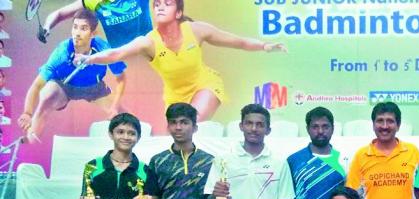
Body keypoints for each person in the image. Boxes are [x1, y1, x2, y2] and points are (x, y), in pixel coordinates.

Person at [73, 0, 286, 121]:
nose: (160, 7)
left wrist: (265, 46)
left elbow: (236, 42)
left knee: (191, 121)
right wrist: (89, 59)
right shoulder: (147, 42)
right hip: (174, 95)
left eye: (167, 4)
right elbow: (115, 54)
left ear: (179, 12)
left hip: (205, 85)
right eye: (156, 5)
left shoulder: (197, 30)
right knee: (180, 135)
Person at [18, 9, 126, 143]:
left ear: (93, 33)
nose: (77, 33)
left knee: (124, 117)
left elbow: (121, 79)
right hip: (64, 87)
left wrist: (115, 106)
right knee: (46, 95)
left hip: (94, 87)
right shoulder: (61, 53)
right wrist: (27, 113)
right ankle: (30, 139)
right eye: (75, 27)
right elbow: (37, 85)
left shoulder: (103, 49)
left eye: (83, 28)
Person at [205, 104, 294, 199]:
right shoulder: (223, 160)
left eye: (260, 125)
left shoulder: (279, 163)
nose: (254, 128)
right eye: (249, 123)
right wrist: (217, 197)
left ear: (268, 130)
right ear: (241, 126)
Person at [41, 0, 152, 47]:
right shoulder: (93, 1)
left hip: (150, 51)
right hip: (121, 56)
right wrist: (47, 26)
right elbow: (60, 14)